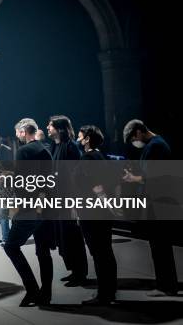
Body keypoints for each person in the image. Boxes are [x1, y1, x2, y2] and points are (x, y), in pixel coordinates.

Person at [122, 119, 179, 297]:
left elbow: (153, 176)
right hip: (161, 201)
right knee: (160, 246)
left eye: (133, 138)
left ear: (139, 132)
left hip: (159, 202)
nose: (134, 142)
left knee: (160, 246)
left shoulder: (156, 146)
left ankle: (166, 286)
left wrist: (133, 178)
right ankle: (166, 284)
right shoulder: (158, 144)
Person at [3, 118, 55, 307]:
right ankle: (46, 294)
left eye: (17, 132)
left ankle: (32, 289)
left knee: (10, 246)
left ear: (24, 131)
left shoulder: (24, 151)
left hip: (29, 207)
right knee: (43, 252)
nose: (16, 136)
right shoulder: (45, 149)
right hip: (46, 206)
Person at [76, 125, 118, 305]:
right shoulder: (101, 156)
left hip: (92, 212)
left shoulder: (87, 158)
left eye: (80, 136)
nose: (78, 139)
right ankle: (109, 292)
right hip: (101, 212)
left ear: (87, 139)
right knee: (106, 252)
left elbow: (96, 187)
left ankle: (103, 296)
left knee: (99, 253)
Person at [47, 115, 88, 287]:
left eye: (50, 125)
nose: (48, 128)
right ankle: (73, 270)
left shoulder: (70, 147)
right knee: (63, 238)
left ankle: (80, 273)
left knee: (72, 237)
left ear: (59, 128)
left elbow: (75, 177)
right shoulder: (55, 146)